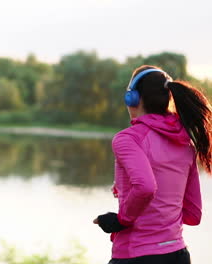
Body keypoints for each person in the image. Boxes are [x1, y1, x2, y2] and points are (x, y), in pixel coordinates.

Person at [93, 65, 212, 264]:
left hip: (136, 256)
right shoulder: (185, 143)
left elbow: (146, 187)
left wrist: (122, 219)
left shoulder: (128, 139)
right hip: (178, 255)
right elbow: (193, 215)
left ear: (132, 98)